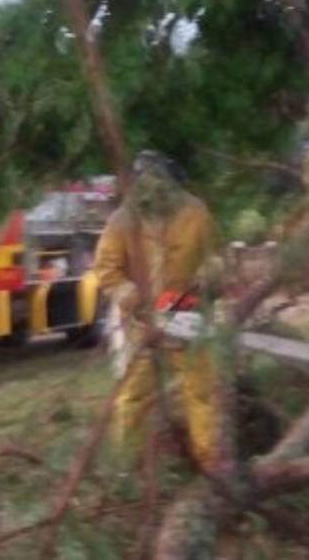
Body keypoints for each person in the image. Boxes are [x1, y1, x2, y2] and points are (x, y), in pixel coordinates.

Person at [92, 150, 221, 469]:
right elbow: (106, 270)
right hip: (142, 323)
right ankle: (126, 468)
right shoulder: (123, 220)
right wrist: (132, 298)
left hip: (186, 313)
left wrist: (208, 277)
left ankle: (212, 463)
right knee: (134, 396)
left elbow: (214, 256)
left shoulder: (195, 213)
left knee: (202, 392)